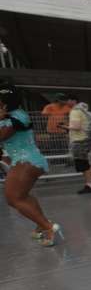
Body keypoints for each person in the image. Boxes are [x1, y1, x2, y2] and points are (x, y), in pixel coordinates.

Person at [0, 83, 62, 246]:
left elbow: (2, 135)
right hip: (23, 160)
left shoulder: (17, 116)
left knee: (13, 198)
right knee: (22, 196)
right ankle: (41, 225)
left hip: (27, 161)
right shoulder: (9, 115)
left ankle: (49, 228)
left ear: (5, 102)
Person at [64, 97, 91, 194]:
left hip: (79, 141)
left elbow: (76, 127)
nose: (66, 102)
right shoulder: (84, 111)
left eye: (68, 100)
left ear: (74, 101)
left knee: (81, 164)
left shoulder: (75, 111)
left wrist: (65, 127)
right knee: (84, 162)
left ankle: (89, 184)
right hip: (87, 139)